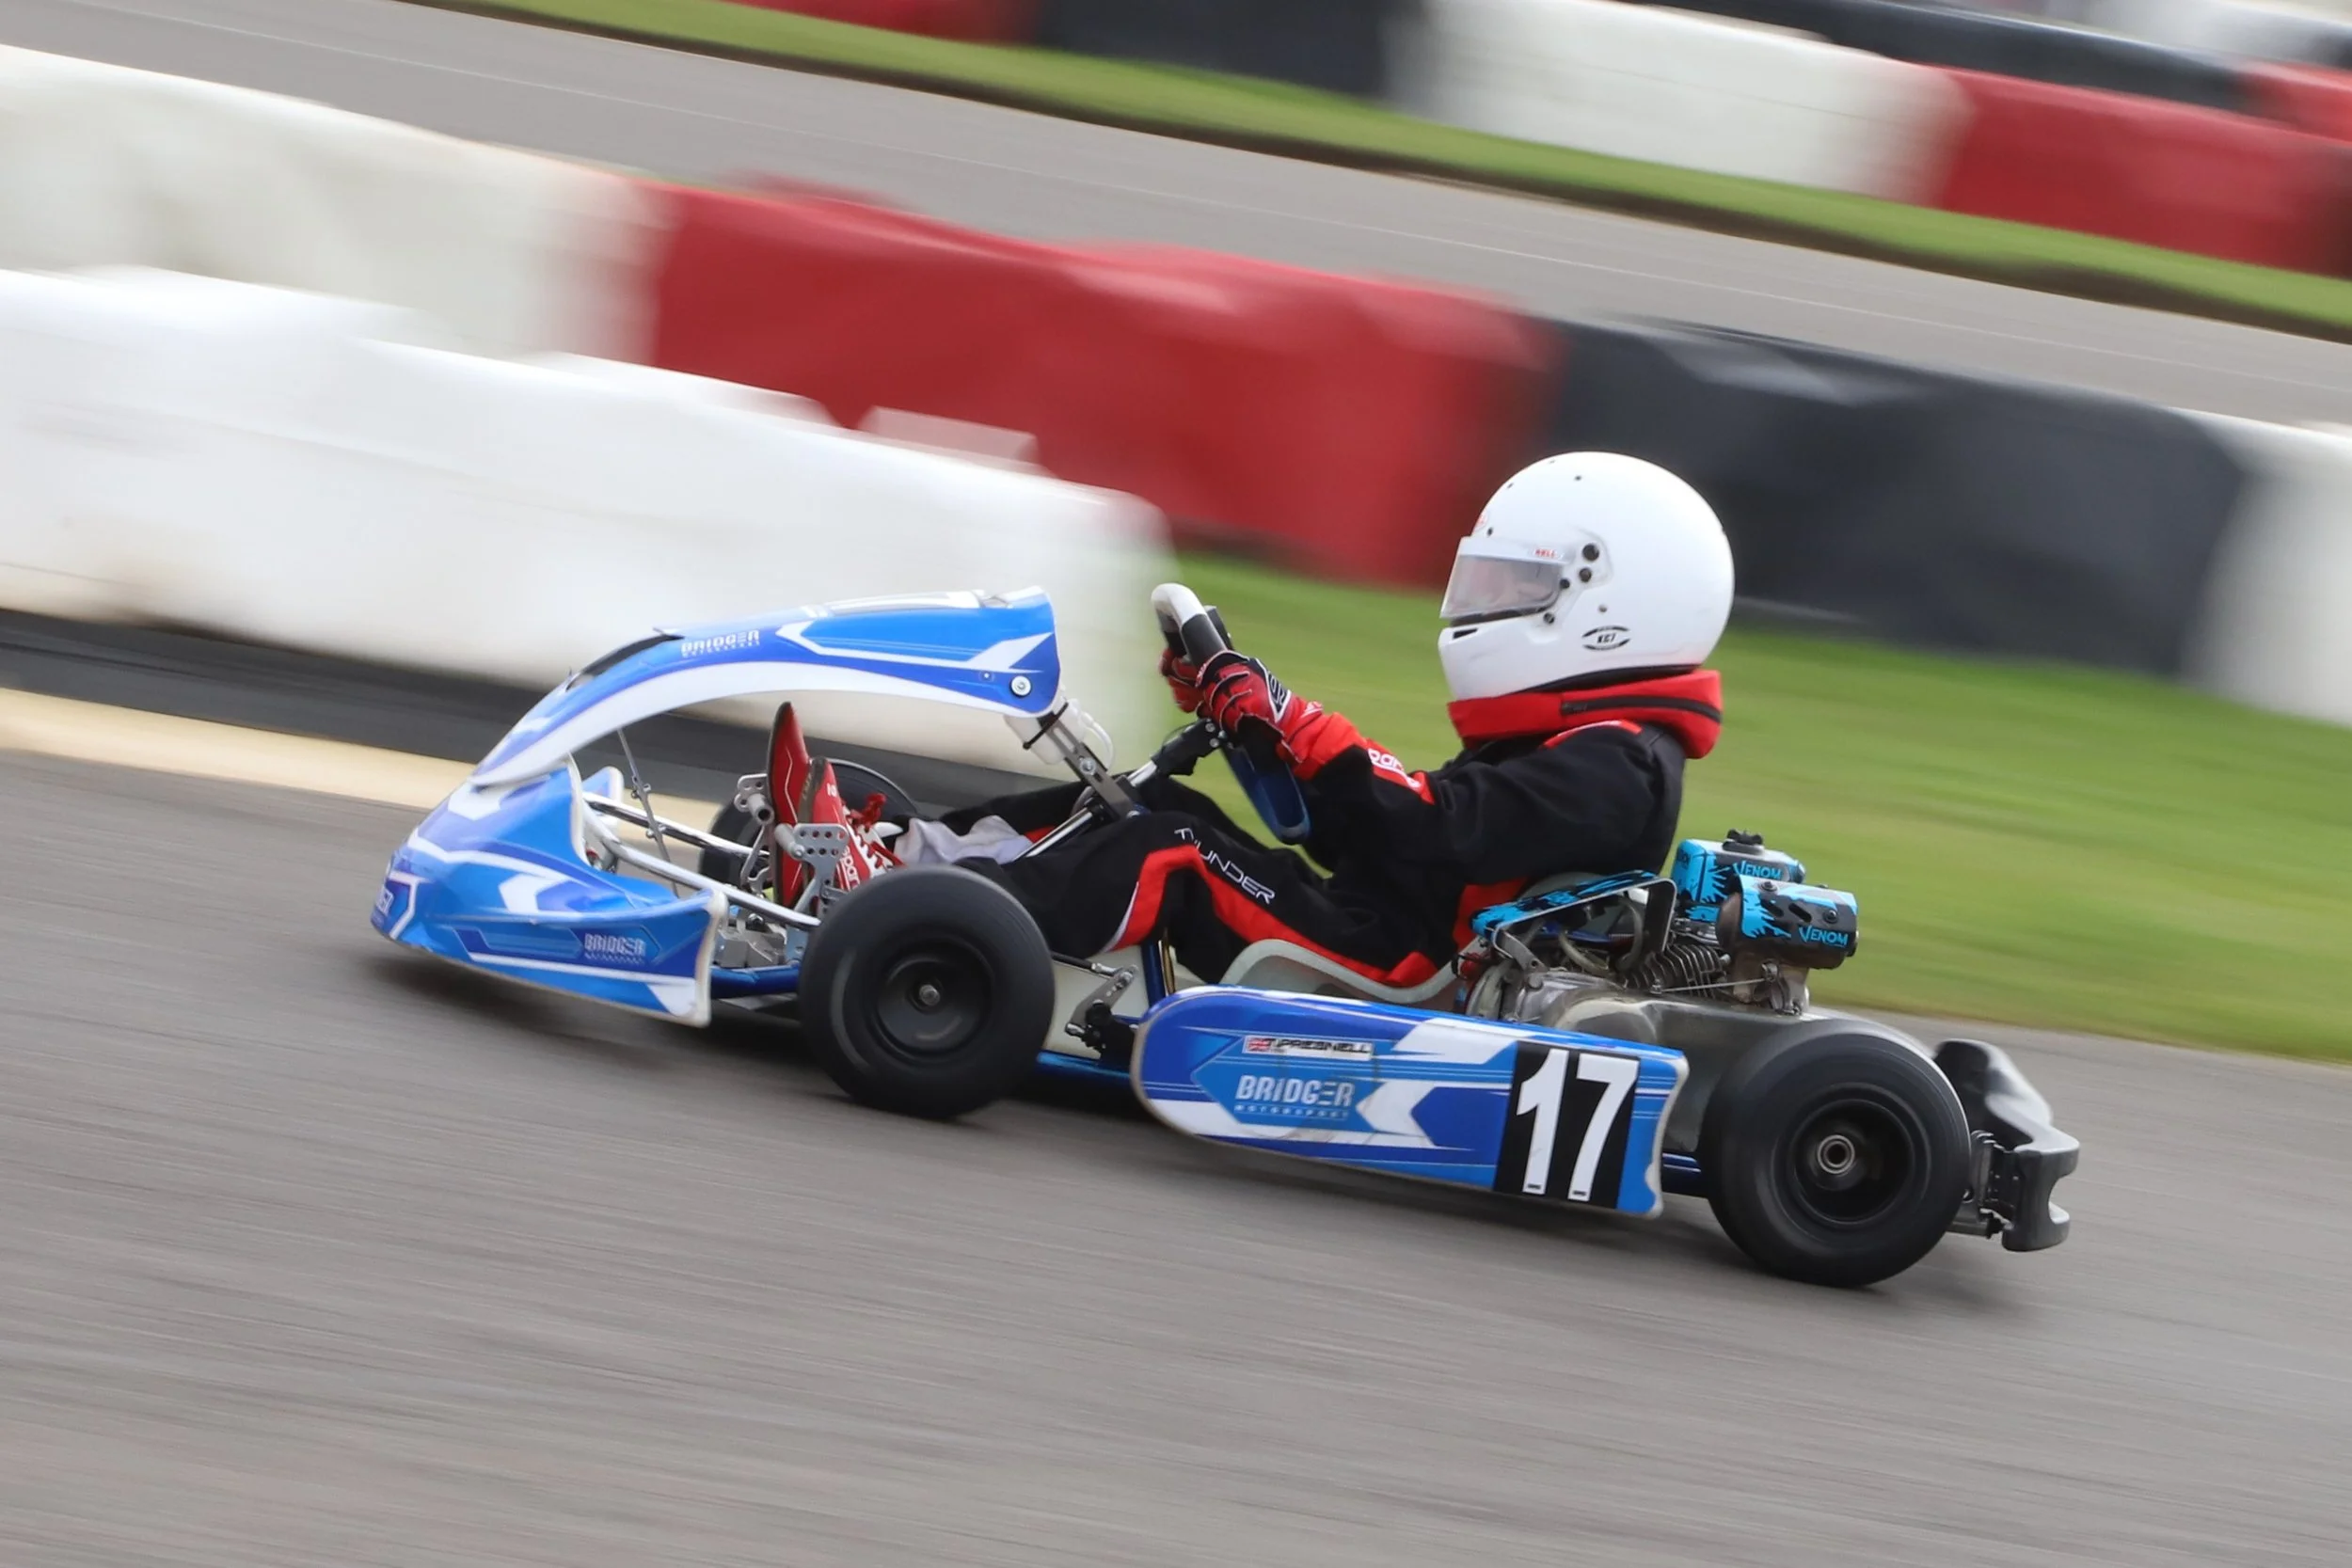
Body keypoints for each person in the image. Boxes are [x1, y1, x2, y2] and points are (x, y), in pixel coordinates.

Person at [912, 452, 1735, 992]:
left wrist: (1299, 728)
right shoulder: (1575, 739)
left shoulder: (1616, 770)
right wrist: (1255, 729)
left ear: (1605, 607)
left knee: (1173, 850)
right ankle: (909, 864)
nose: (1483, 609)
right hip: (1372, 917)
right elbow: (1376, 841)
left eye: (1511, 588)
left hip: (1401, 967)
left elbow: (1437, 831)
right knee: (1142, 805)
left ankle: (940, 944)